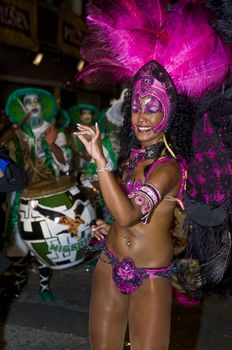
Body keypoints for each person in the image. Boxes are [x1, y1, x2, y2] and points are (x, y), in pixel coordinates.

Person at [73, 1, 232, 348]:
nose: (142, 117)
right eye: (137, 108)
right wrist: (108, 226)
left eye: (153, 108)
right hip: (109, 263)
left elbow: (130, 213)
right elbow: (123, 214)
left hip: (150, 276)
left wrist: (100, 160)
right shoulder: (133, 157)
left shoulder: (169, 168)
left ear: (170, 114)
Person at [3, 87, 70, 301]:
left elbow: (65, 163)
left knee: (44, 238)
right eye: (28, 102)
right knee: (19, 241)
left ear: (42, 107)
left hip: (47, 195)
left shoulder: (53, 131)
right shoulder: (15, 135)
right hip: (19, 195)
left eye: (36, 102)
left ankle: (43, 286)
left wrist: (50, 145)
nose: (32, 105)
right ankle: (20, 281)